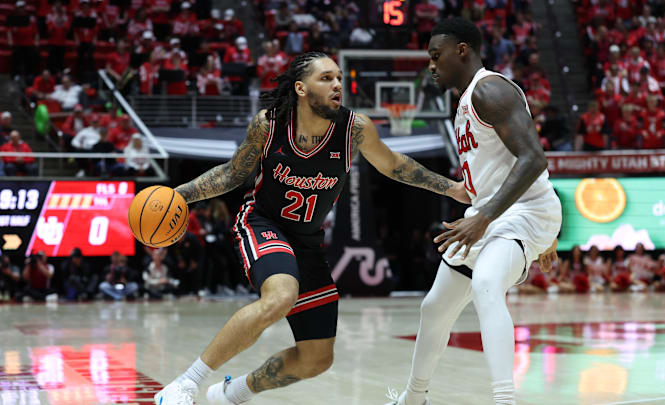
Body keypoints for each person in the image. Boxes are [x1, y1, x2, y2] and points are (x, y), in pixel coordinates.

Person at [154, 51, 469, 405]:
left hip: (308, 241)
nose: (337, 84)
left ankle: (230, 393)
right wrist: (178, 196)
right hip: (263, 222)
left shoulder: (354, 129)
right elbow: (232, 173)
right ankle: (184, 384)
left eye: (338, 78)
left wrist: (451, 187)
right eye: (326, 78)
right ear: (301, 89)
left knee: (317, 359)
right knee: (281, 295)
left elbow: (394, 165)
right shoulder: (269, 124)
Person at [387, 18, 561, 405]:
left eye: (437, 56)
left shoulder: (490, 90)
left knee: (485, 283)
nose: (431, 65)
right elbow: (486, 183)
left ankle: (504, 400)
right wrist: (477, 210)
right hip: (493, 215)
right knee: (434, 308)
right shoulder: (465, 103)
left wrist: (496, 222)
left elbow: (533, 159)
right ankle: (413, 399)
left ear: (461, 50)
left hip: (524, 211)